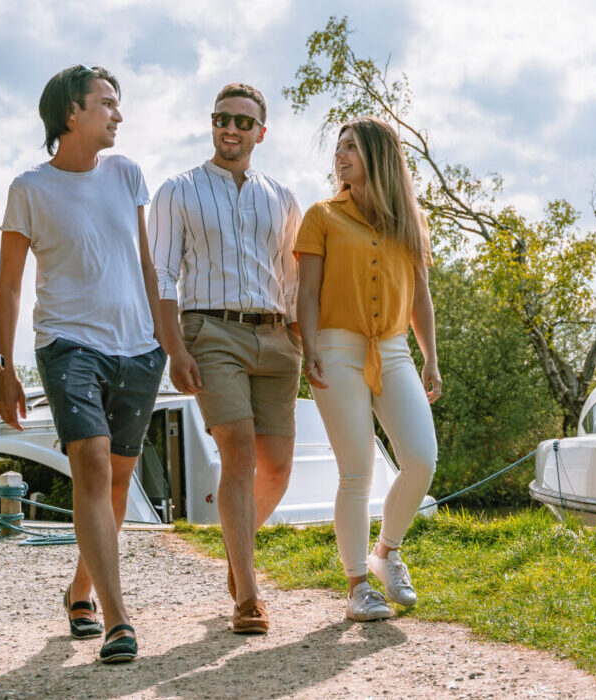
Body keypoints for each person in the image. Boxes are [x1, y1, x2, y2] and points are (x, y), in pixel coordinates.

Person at [0, 65, 176, 663]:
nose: (118, 114)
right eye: (107, 103)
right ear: (72, 113)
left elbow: (149, 265)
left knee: (118, 483)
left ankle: (79, 589)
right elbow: (10, 289)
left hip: (139, 350)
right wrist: (4, 367)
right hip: (68, 345)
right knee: (93, 468)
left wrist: (169, 345)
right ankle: (118, 621)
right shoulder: (29, 188)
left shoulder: (127, 174)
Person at [146, 83, 302, 635]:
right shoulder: (177, 190)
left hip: (276, 337)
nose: (229, 129)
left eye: (241, 121)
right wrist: (175, 347)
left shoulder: (281, 196)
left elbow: (291, 276)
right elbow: (162, 273)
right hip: (210, 331)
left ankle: (238, 561)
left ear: (261, 131)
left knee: (278, 467)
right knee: (237, 454)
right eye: (221, 119)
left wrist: (300, 339)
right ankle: (249, 597)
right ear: (211, 124)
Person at [295, 116, 441, 622]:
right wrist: (307, 346)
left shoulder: (409, 220)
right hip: (336, 348)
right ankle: (358, 583)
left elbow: (421, 297)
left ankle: (388, 553)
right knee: (356, 470)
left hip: (396, 349)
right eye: (338, 148)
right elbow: (306, 292)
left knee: (421, 458)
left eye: (352, 147)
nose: (341, 155)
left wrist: (431, 357)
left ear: (379, 156)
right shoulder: (321, 216)